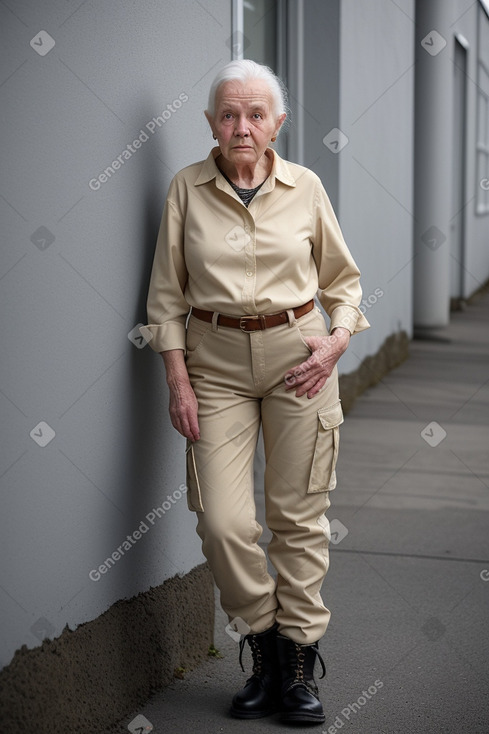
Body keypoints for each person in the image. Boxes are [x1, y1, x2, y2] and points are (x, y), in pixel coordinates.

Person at [140, 59, 370, 725]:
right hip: (212, 365)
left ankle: (296, 668)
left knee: (297, 518)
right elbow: (164, 297)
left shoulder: (305, 188)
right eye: (228, 114)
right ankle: (264, 645)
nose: (241, 126)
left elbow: (343, 283)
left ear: (277, 123)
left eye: (255, 114)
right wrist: (177, 383)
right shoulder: (187, 189)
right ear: (212, 123)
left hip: (299, 355)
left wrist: (336, 341)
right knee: (221, 520)